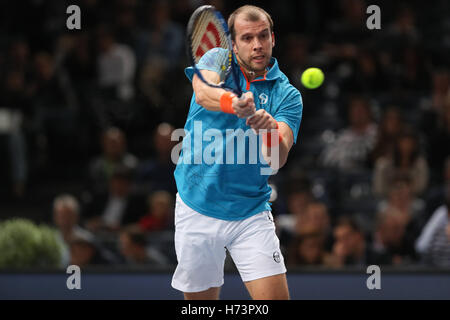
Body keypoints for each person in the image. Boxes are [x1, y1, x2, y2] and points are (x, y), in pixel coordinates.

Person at [172, 5, 303, 300]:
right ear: (233, 43)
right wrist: (235, 104)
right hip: (197, 205)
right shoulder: (217, 58)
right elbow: (204, 93)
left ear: (273, 38)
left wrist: (268, 130)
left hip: (250, 212)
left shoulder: (288, 95)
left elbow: (278, 159)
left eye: (263, 36)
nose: (257, 45)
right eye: (247, 38)